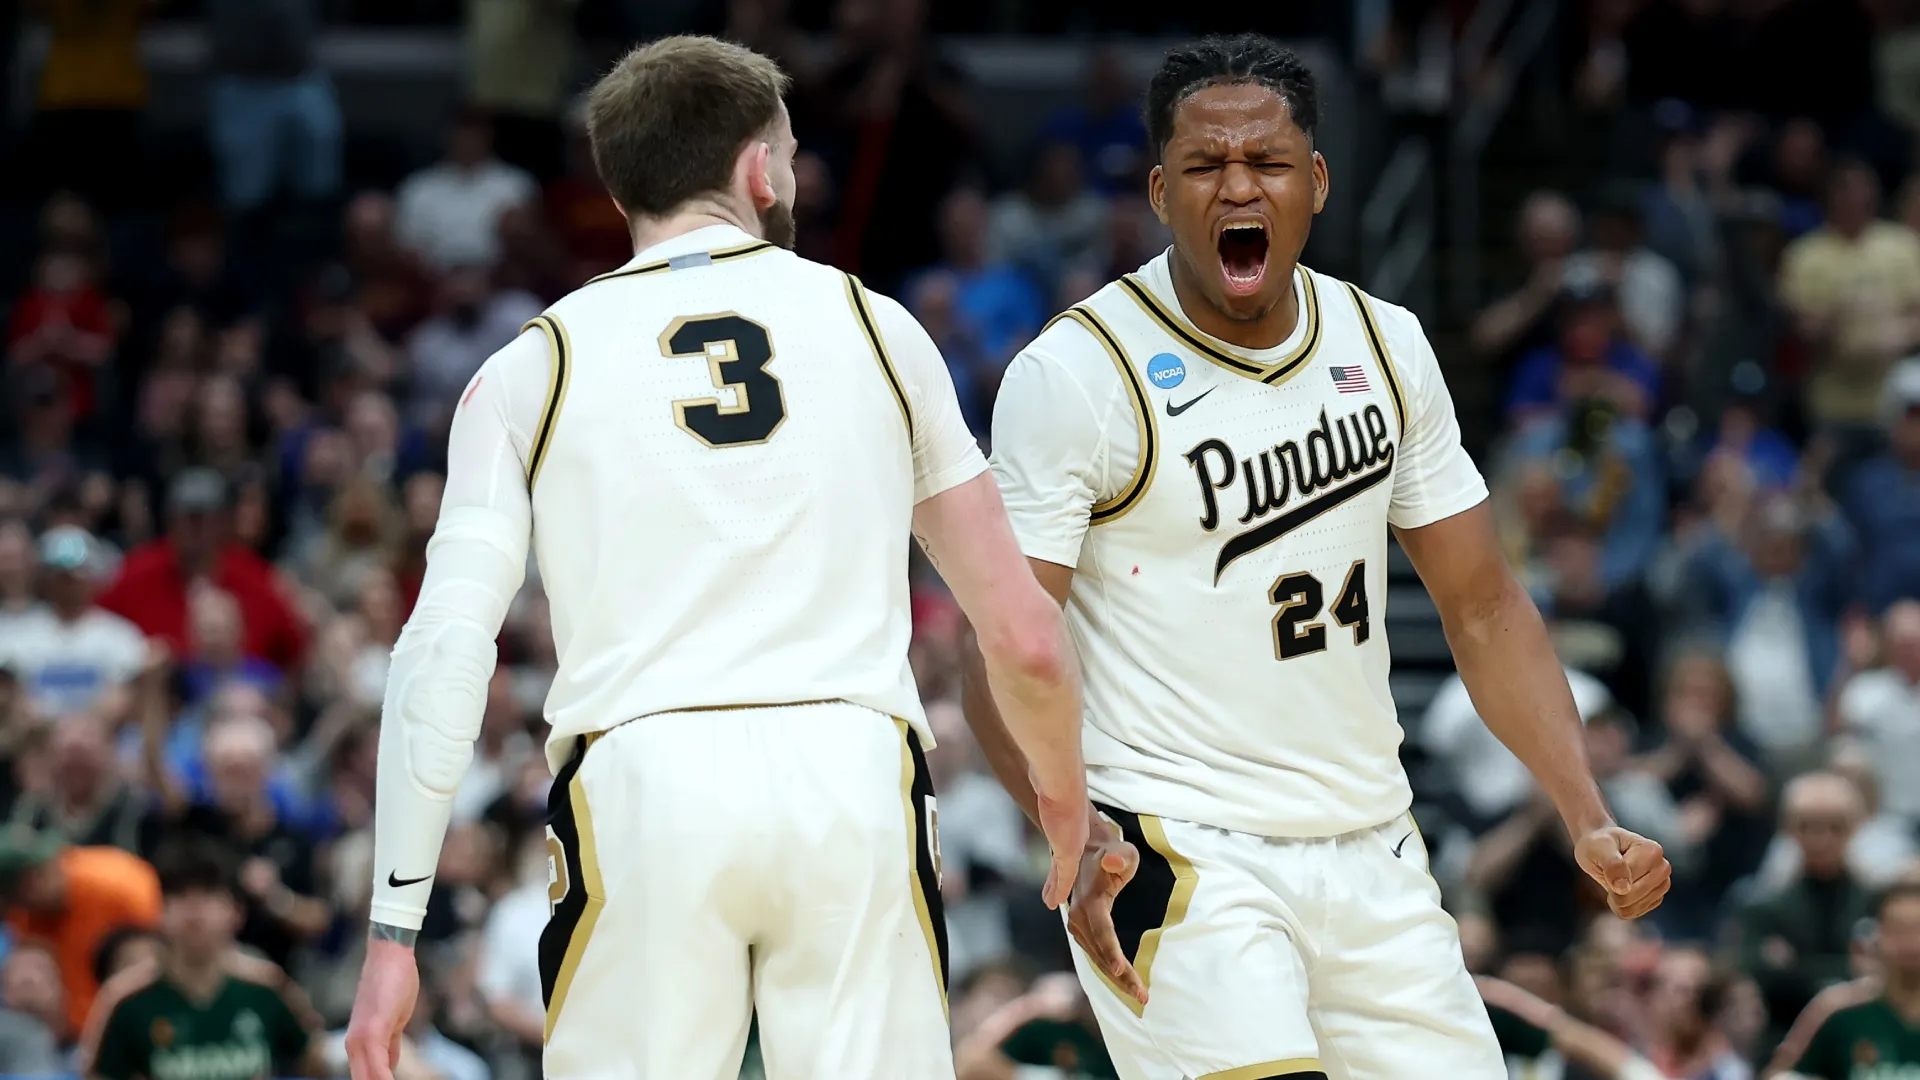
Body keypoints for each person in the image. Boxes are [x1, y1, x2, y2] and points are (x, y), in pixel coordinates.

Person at [344, 35, 1094, 1080]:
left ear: (620, 184)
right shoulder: (879, 329)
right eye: (786, 150)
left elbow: (440, 653)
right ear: (758, 170)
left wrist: (393, 931)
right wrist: (1064, 797)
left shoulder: (533, 364)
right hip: (851, 768)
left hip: (645, 779)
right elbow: (1020, 632)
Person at [971, 34, 1672, 1080]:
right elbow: (1006, 645)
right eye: (1206, 167)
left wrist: (1586, 811)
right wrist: (1066, 841)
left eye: (1267, 163)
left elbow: (1482, 608)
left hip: (1374, 850)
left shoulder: (1384, 341)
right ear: (1162, 193)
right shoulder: (1077, 374)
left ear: (1319, 183)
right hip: (1177, 845)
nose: (1237, 186)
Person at [83, 840, 320, 1080]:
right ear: (160, 912)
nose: (194, 911)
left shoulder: (268, 988)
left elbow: (315, 1062)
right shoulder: (125, 1000)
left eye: (208, 895)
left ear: (236, 912)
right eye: (180, 896)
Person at [1776, 880, 1920, 1079]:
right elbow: (1783, 1075)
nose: (1911, 943)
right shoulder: (1839, 1012)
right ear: (1877, 935)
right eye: (1899, 930)